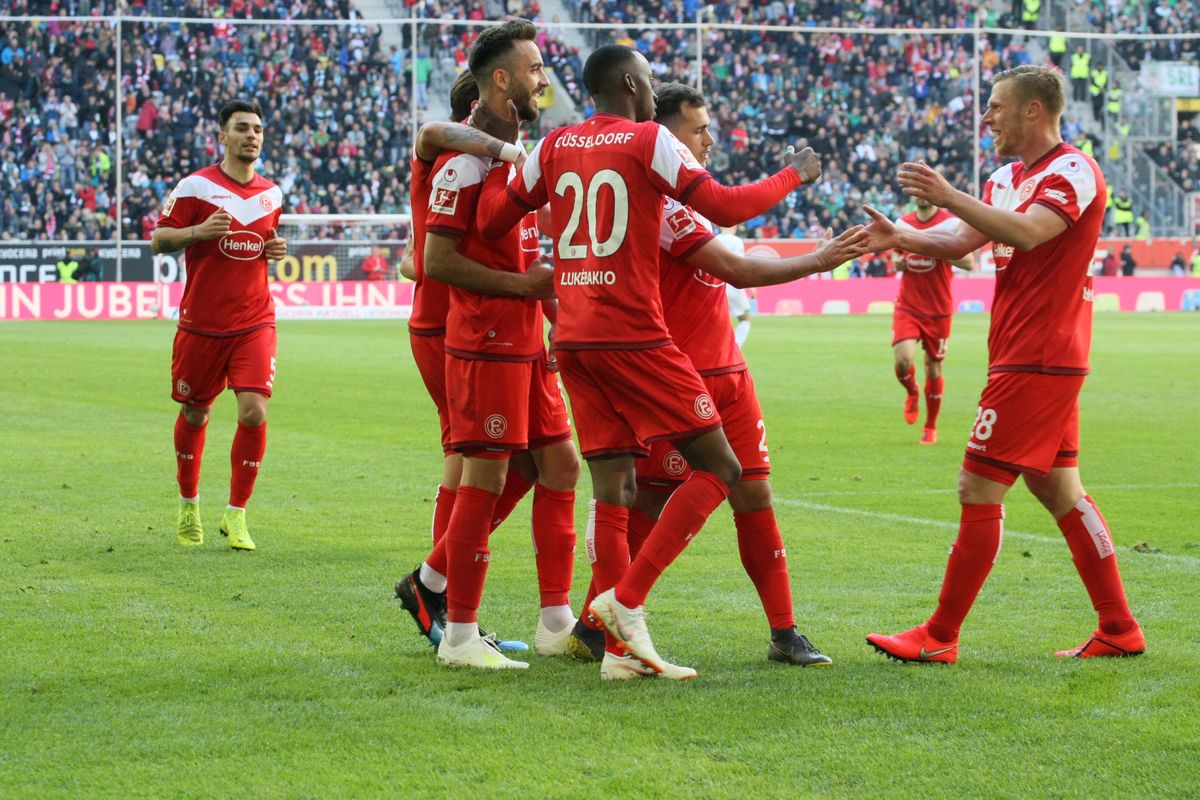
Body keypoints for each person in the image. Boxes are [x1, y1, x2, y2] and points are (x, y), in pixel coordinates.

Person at [478, 46, 828, 680]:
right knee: (720, 467)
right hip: (636, 338)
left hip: (576, 340)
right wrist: (793, 176)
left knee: (615, 491)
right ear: (631, 83)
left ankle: (620, 654)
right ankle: (625, 602)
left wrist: (497, 166)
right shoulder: (647, 141)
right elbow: (725, 209)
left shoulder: (552, 146)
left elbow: (494, 217)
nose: (650, 87)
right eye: (646, 79)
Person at [566, 82, 868, 668]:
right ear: (666, 136)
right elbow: (737, 269)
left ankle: (785, 632)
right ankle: (600, 618)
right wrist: (820, 256)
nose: (709, 140)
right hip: (676, 375)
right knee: (650, 498)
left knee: (754, 493)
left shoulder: (691, 200)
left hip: (730, 372)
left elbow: (729, 231)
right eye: (699, 129)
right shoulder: (657, 203)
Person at [861, 65, 1144, 663]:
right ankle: (1119, 626)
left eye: (995, 106)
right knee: (1059, 488)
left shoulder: (1074, 170)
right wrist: (904, 238)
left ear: (1033, 110)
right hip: (1022, 353)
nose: (986, 117)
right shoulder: (1003, 179)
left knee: (977, 486)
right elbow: (960, 242)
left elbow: (1031, 232)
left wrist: (947, 196)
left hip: (1040, 355)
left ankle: (940, 636)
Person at [412, 21, 583, 671]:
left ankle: (555, 621)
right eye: (535, 69)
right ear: (503, 79)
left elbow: (530, 253)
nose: (544, 80)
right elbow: (436, 262)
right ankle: (459, 634)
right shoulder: (463, 163)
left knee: (560, 465)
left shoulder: (516, 157)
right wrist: (522, 289)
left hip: (526, 341)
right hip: (484, 342)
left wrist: (551, 314)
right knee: (483, 477)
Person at [153, 99, 287, 552]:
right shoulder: (196, 187)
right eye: (242, 128)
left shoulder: (272, 194)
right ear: (222, 137)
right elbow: (158, 239)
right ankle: (188, 503)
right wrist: (197, 232)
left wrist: (274, 250)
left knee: (254, 412)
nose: (252, 136)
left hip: (254, 320)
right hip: (202, 324)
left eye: (257, 129)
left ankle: (236, 513)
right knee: (196, 413)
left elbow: (261, 243)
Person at [889, 198, 975, 445]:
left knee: (933, 367)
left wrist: (932, 246)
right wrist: (896, 261)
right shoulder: (902, 223)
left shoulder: (951, 224)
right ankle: (912, 391)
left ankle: (930, 426)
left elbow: (968, 262)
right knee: (903, 360)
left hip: (938, 309)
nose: (921, 195)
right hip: (908, 305)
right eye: (917, 191)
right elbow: (896, 254)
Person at [716, 226, 753, 346]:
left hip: (716, 285)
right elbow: (740, 265)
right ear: (735, 226)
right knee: (745, 318)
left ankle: (721, 347)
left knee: (722, 318)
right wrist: (751, 287)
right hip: (733, 285)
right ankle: (735, 348)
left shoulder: (715, 239)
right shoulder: (736, 241)